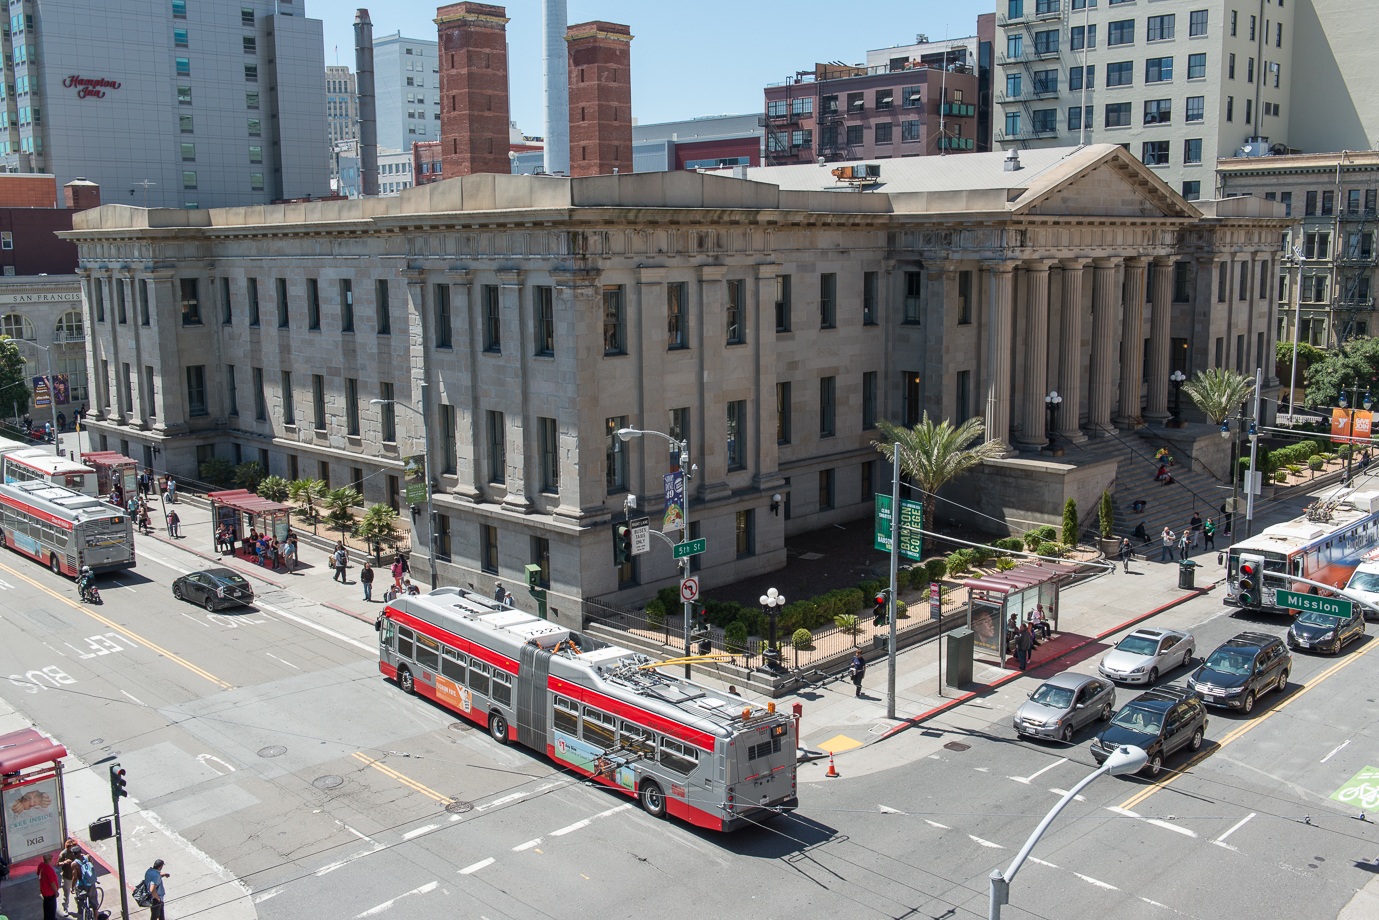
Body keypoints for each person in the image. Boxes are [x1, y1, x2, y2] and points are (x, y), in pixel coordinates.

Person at [58, 839, 83, 916]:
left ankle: (80, 908)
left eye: (72, 847)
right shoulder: (63, 853)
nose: (71, 849)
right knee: (66, 894)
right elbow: (57, 864)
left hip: (76, 876)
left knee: (78, 893)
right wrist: (64, 862)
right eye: (69, 847)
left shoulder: (76, 852)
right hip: (67, 877)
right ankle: (65, 908)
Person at [75, 853, 97, 920]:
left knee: (80, 901)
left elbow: (74, 877)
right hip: (90, 884)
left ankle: (81, 917)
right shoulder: (88, 857)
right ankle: (96, 918)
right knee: (94, 903)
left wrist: (72, 888)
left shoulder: (75, 863)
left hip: (81, 885)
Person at [39, 852, 59, 920]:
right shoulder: (49, 869)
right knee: (51, 910)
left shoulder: (41, 865)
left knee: (46, 908)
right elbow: (52, 883)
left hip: (44, 891)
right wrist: (56, 891)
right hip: (50, 893)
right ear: (49, 859)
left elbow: (38, 873)